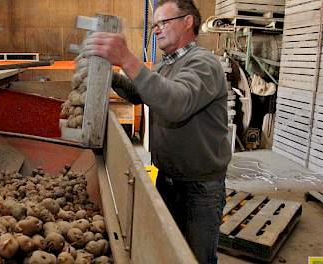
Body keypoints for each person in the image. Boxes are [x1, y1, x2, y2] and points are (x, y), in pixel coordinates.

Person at [83, 0, 231, 263]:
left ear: (188, 22)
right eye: (154, 25)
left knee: (196, 258)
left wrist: (127, 59)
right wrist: (107, 74)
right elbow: (140, 93)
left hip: (199, 186)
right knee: (168, 252)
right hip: (168, 177)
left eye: (163, 23)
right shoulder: (166, 65)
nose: (156, 30)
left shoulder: (203, 64)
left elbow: (176, 103)